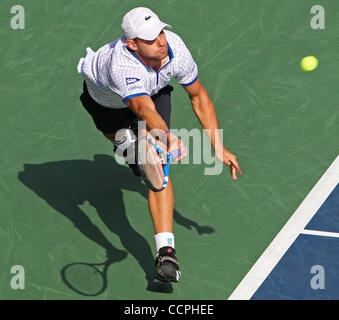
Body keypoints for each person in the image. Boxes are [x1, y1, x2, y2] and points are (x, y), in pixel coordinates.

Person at [77, 7, 242, 283]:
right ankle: (129, 147)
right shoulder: (121, 66)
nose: (161, 41)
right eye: (151, 39)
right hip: (106, 103)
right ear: (132, 44)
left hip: (153, 89)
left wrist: (218, 146)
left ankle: (166, 254)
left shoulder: (174, 47)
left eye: (161, 33)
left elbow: (198, 96)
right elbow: (143, 109)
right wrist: (167, 136)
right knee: (128, 146)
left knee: (158, 170)